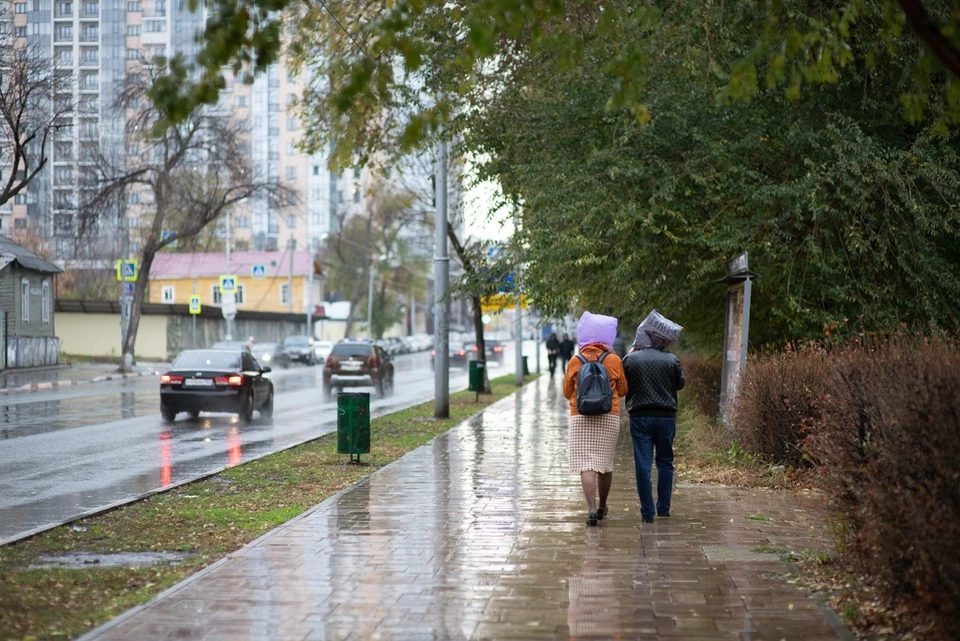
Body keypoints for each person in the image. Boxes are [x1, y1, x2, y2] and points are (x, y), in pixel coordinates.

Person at [563, 312, 627, 527]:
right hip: (609, 416)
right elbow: (623, 389)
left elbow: (566, 392)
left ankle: (591, 509)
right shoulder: (614, 360)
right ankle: (603, 505)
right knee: (604, 464)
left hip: (579, 417)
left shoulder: (575, 361)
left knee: (586, 464)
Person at [622, 319, 685, 524]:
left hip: (639, 416)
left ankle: (647, 512)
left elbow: (623, 385)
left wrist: (631, 353)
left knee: (643, 464)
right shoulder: (672, 359)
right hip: (666, 417)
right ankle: (664, 508)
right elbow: (680, 384)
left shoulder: (630, 360)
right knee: (665, 462)